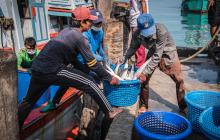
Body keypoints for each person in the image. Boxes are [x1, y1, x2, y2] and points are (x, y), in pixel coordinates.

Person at [18, 7, 123, 128]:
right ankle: (110, 111)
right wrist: (109, 78)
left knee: (28, 101)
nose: (91, 24)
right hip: (52, 69)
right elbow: (92, 63)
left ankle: (16, 128)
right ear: (82, 22)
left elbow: (73, 60)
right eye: (89, 21)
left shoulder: (65, 31)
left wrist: (87, 71)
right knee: (89, 82)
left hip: (37, 69)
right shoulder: (79, 37)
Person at [40, 9, 106, 113]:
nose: (98, 25)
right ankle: (54, 102)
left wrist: (104, 56)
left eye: (100, 22)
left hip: (92, 62)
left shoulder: (100, 32)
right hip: (80, 61)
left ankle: (100, 104)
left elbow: (100, 49)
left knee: (98, 78)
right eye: (96, 23)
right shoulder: (85, 33)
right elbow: (88, 54)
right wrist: (101, 59)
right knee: (68, 82)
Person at [124, 13, 187, 114]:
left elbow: (158, 55)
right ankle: (144, 105)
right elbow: (133, 47)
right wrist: (125, 58)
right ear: (139, 29)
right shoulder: (137, 34)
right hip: (153, 52)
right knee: (143, 80)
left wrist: (146, 72)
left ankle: (183, 108)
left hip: (168, 53)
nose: (148, 34)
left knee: (179, 80)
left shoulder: (161, 30)